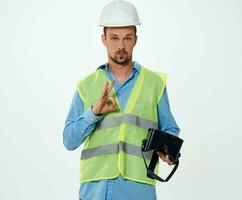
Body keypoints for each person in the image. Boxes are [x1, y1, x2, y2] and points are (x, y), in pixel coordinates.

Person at [63, 0, 180, 199]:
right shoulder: (87, 85)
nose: (121, 45)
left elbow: (170, 130)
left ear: (135, 39)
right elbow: (69, 140)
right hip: (95, 189)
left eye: (127, 38)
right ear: (104, 39)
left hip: (138, 188)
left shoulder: (154, 83)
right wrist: (94, 113)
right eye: (114, 38)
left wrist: (166, 149)